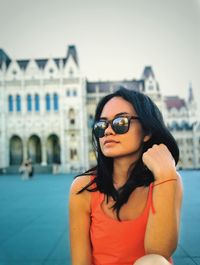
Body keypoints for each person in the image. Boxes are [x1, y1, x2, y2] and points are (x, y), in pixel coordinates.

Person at [69, 86, 183, 265]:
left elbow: (159, 252)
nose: (107, 131)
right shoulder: (84, 188)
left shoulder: (167, 179)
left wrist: (166, 176)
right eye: (101, 125)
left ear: (147, 131)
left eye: (120, 123)